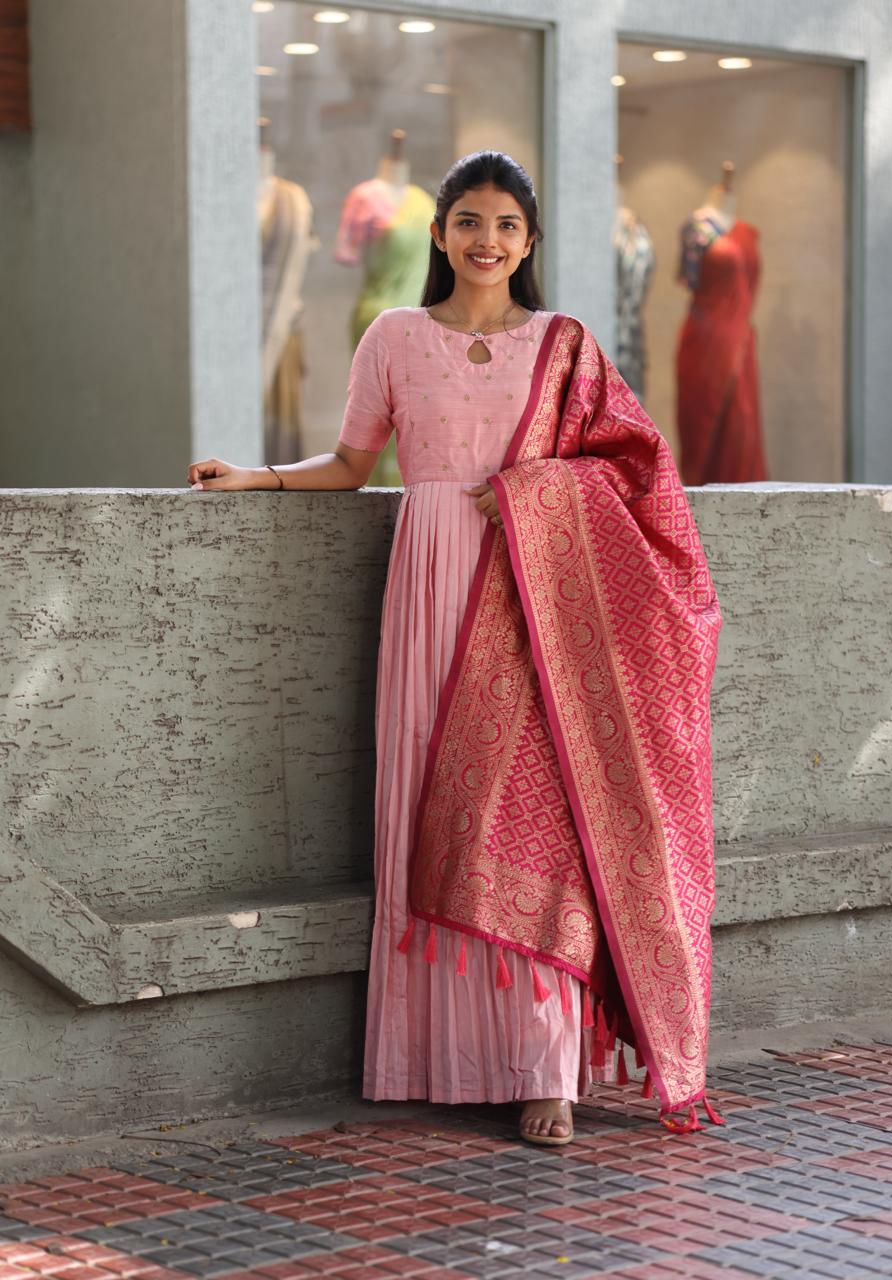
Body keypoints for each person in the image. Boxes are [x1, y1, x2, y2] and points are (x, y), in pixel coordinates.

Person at [188, 151, 726, 1146]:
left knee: (533, 818)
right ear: (438, 234)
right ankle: (433, 1054)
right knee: (425, 799)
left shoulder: (561, 345)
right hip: (428, 584)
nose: (487, 241)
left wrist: (534, 495)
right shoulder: (393, 337)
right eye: (469, 222)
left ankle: (543, 1064)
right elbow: (353, 463)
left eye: (507, 227)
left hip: (529, 596)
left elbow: (640, 471)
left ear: (528, 242)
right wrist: (256, 478)